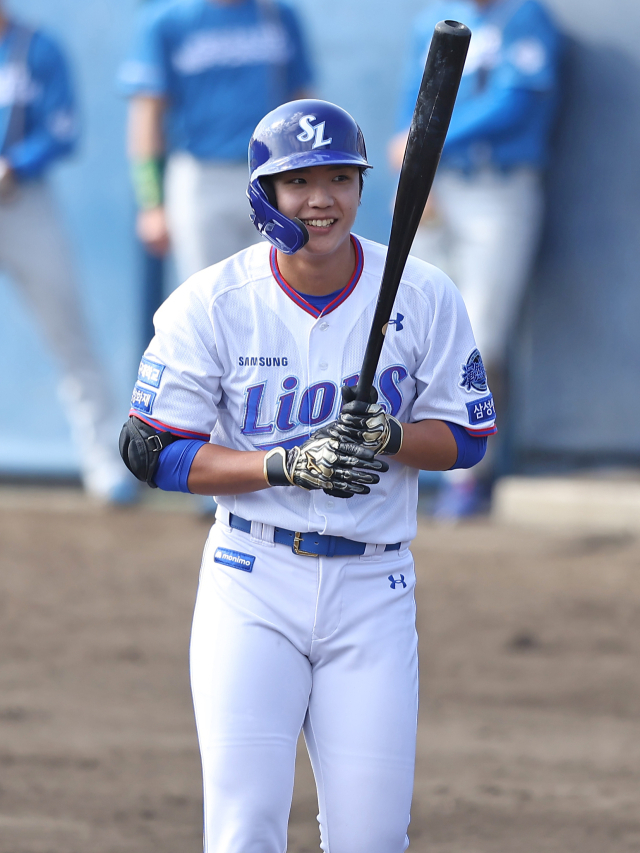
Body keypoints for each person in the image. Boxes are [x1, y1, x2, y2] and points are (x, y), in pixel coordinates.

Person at [119, 99, 496, 852]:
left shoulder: (422, 294)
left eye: (339, 178)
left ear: (360, 187)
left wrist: (392, 434)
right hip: (250, 578)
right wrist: (283, 463)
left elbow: (468, 436)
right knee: (244, 829)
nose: (321, 199)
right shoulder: (214, 302)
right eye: (298, 181)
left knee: (372, 838)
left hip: (374, 590)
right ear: (265, 195)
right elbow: (149, 447)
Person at [389, 0, 561, 517]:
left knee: (482, 334)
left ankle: (470, 476)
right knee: (415, 328)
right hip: (441, 185)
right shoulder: (433, 18)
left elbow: (516, 101)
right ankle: (417, 463)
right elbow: (411, 101)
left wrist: (428, 144)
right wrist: (414, 169)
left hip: (497, 189)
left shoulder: (526, 18)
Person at [0, 5, 135, 503]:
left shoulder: (36, 46)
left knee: (68, 333)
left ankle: (105, 461)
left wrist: (15, 165)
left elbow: (61, 128)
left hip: (22, 201)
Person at [119, 0, 314, 286]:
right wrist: (151, 203)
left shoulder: (278, 15)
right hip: (201, 177)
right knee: (209, 293)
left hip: (272, 175)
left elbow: (302, 103)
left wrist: (306, 180)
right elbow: (147, 117)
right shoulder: (166, 21)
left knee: (282, 287)